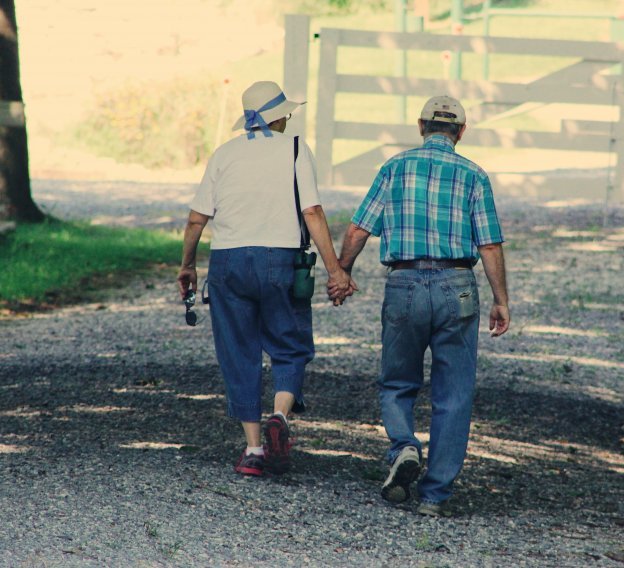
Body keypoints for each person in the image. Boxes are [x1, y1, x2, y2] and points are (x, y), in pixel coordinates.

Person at [334, 95, 510, 516]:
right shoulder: (474, 175)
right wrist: (501, 300)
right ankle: (434, 496)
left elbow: (359, 229)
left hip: (405, 281)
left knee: (397, 381)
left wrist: (341, 272)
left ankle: (404, 446)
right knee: (455, 392)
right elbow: (489, 243)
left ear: (420, 126)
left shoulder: (394, 168)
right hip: (457, 285)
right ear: (461, 132)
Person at [178, 81, 352, 477]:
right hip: (280, 258)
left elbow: (196, 218)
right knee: (289, 345)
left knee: (238, 352)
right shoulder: (294, 149)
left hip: (229, 262)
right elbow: (312, 212)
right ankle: (280, 414)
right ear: (279, 117)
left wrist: (187, 265)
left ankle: (254, 449)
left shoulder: (223, 154)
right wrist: (335, 270)